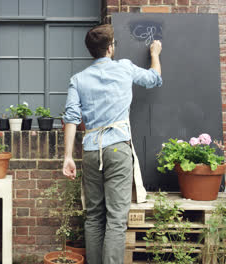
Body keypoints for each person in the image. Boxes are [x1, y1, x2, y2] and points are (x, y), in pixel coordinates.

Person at [62, 24, 162, 264]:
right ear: (110, 48)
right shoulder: (125, 68)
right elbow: (154, 79)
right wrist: (155, 55)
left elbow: (71, 118)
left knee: (94, 216)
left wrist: (67, 156)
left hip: (90, 150)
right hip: (117, 147)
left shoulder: (78, 79)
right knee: (116, 218)